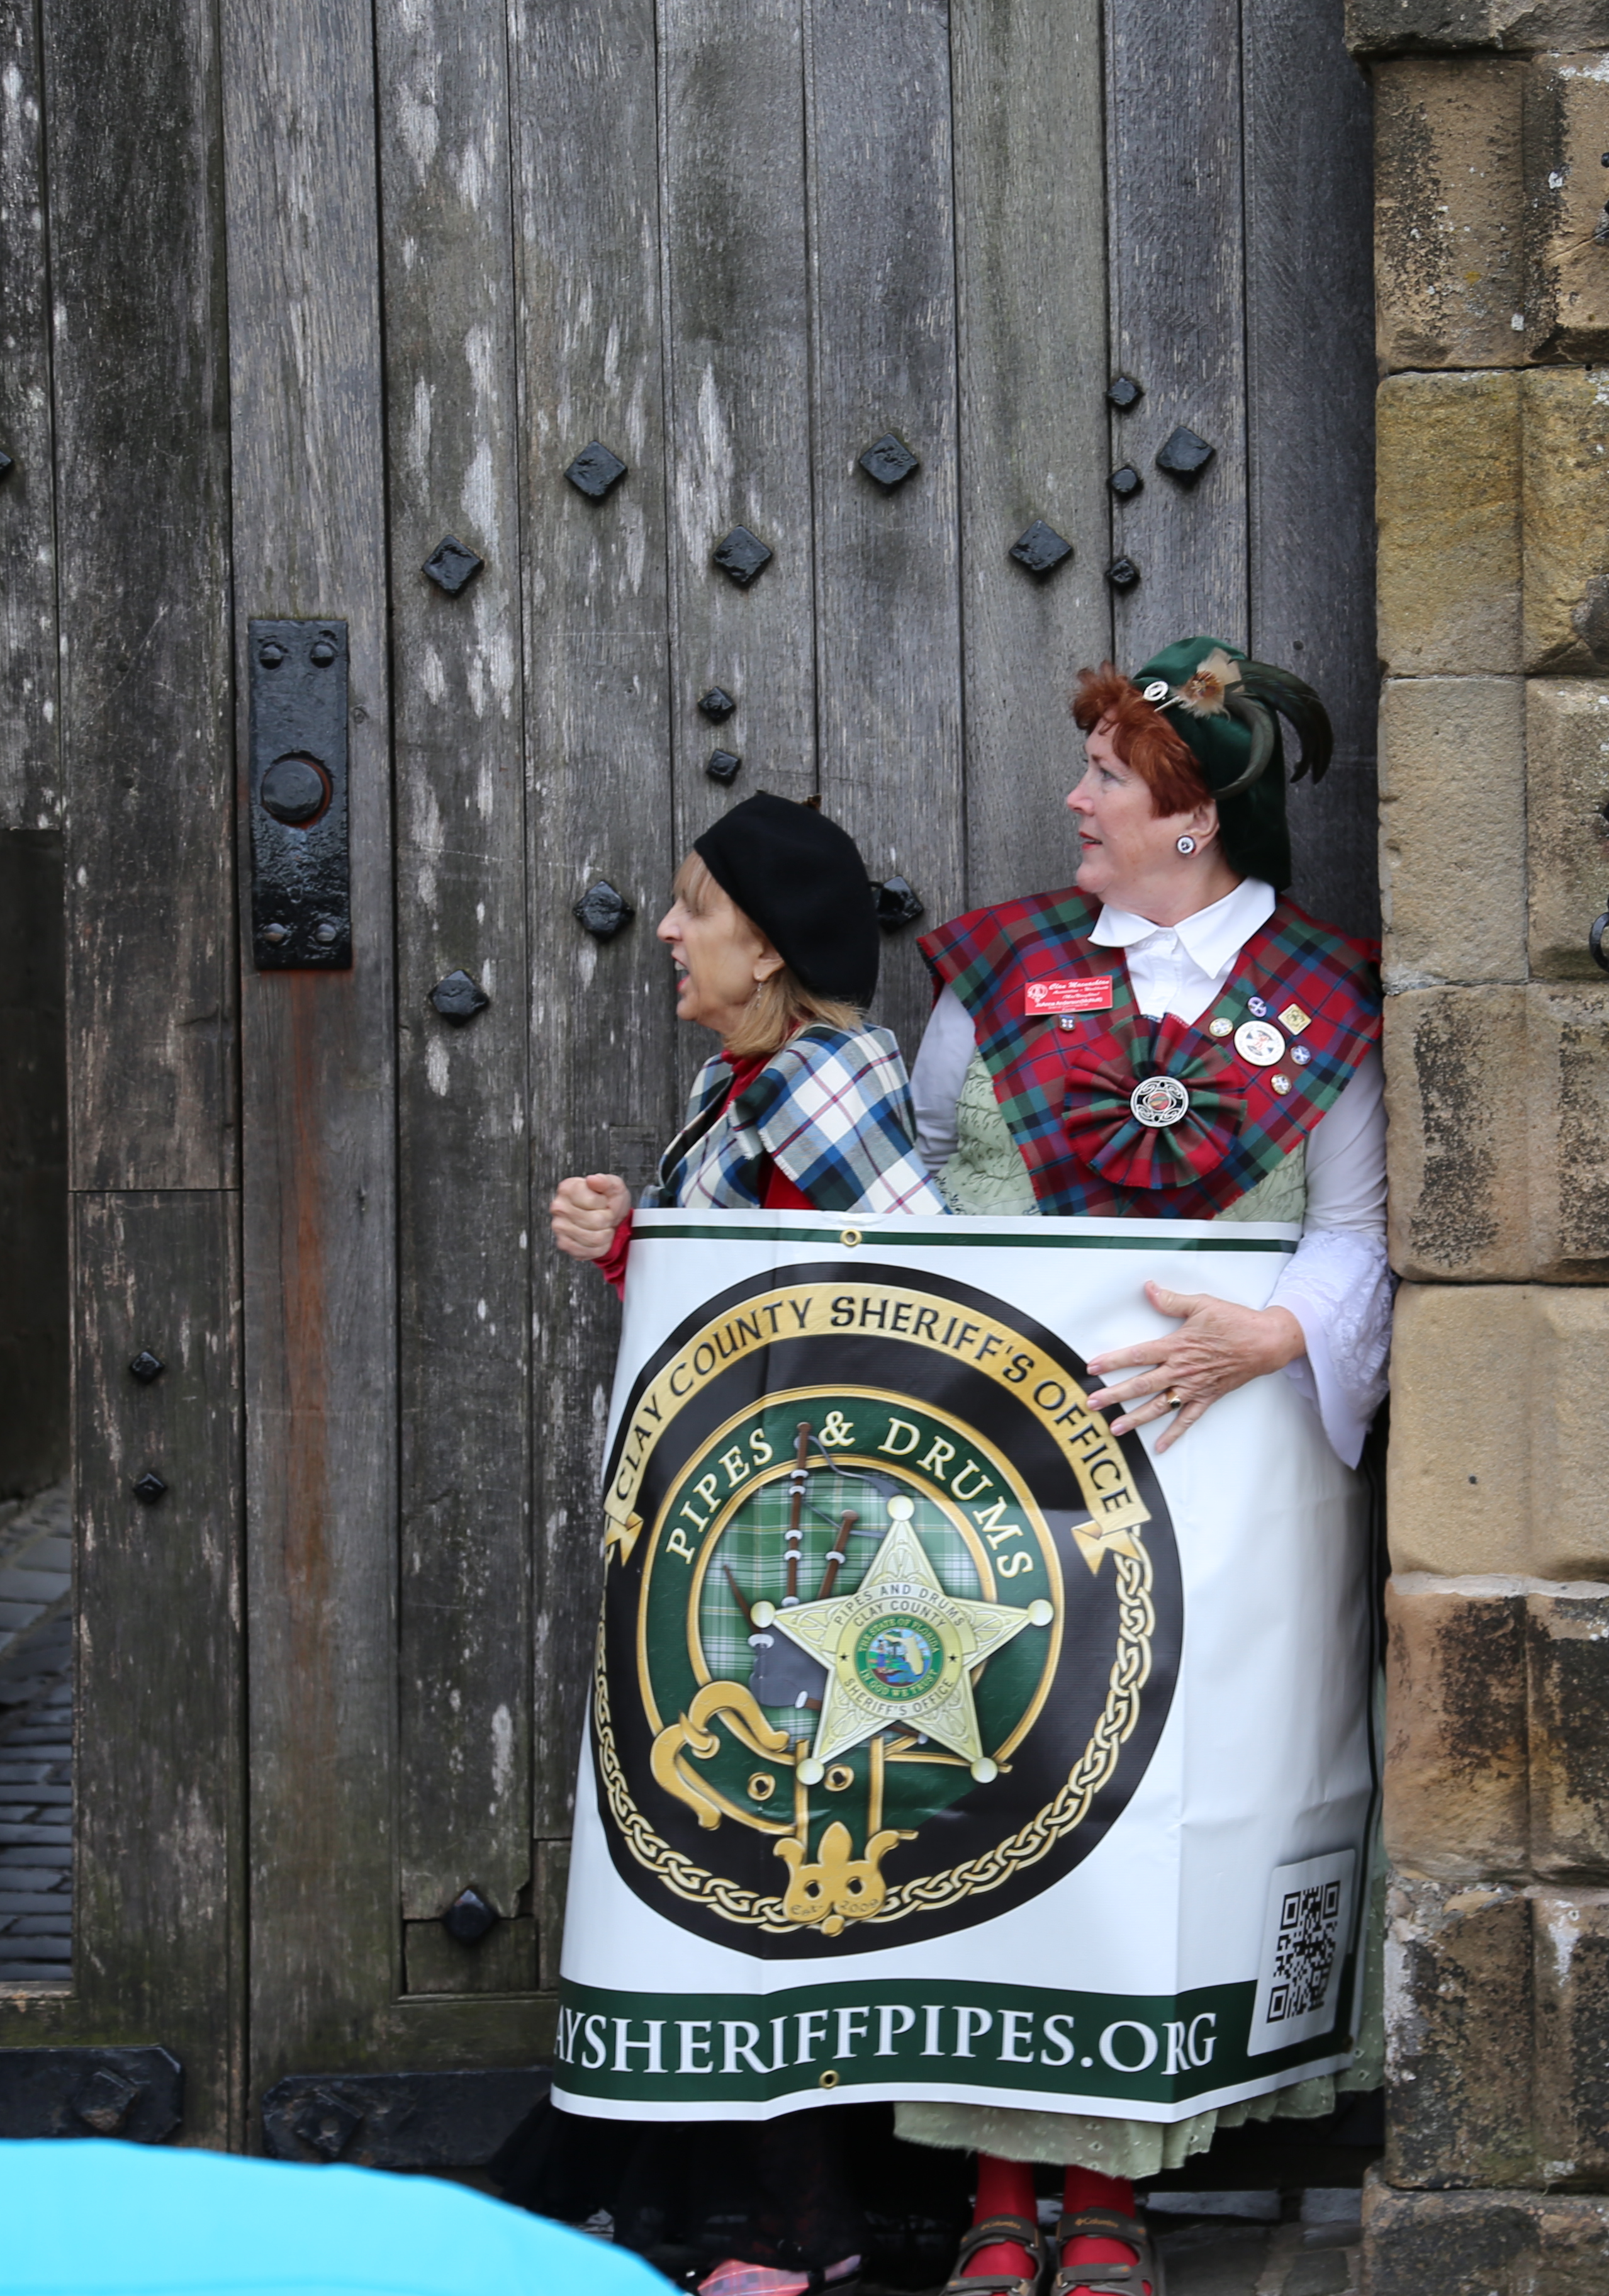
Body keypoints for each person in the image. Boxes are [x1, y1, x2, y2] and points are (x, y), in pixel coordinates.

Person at [906, 638, 1389, 2296]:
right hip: (1018, 1462)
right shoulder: (998, 977)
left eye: (1110, 775)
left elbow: (1359, 1238)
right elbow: (929, 1201)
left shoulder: (1328, 996)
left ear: (1196, 817)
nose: (1077, 799)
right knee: (1007, 1773)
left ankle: (1115, 2192)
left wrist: (1267, 1341)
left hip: (1233, 1470)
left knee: (1172, 1807)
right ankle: (993, 2184)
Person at [511, 790, 941, 2294]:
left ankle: (808, 2234)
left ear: (768, 949)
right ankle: (758, 2208)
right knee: (739, 1867)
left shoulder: (822, 1085)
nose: (672, 935)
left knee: (780, 1871)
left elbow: (905, 1309)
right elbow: (748, 1308)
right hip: (749, 1543)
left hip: (817, 1560)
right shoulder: (740, 1082)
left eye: (697, 911)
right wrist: (638, 1239)